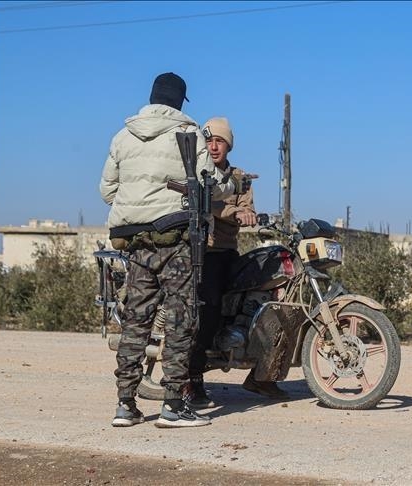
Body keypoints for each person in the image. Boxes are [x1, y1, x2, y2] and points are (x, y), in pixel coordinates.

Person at [100, 72, 243, 428]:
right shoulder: (189, 133)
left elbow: (107, 191)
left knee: (137, 321)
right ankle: (174, 406)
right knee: (182, 319)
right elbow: (214, 186)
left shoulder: (122, 136)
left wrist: (138, 201)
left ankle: (125, 405)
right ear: (179, 101)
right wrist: (230, 184)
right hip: (175, 239)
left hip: (135, 240)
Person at [186, 117, 287, 409]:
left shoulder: (239, 177)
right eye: (209, 141)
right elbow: (209, 205)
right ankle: (192, 378)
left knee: (266, 295)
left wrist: (247, 214)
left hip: (228, 249)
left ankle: (263, 375)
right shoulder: (197, 174)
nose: (214, 146)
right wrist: (233, 212)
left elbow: (246, 208)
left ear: (228, 145)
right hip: (204, 252)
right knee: (211, 306)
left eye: (220, 141)